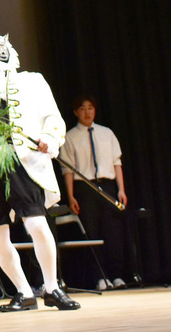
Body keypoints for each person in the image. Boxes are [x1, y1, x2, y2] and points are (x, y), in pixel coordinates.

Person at [0, 33, 80, 312]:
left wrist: (49, 139)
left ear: (8, 51)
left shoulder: (32, 82)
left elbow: (53, 117)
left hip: (22, 162)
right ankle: (24, 292)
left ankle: (52, 287)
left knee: (37, 224)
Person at [60, 96, 128, 290]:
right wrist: (71, 195)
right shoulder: (70, 137)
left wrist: (121, 189)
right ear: (75, 112)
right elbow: (68, 170)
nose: (87, 112)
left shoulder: (107, 133)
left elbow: (117, 162)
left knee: (112, 232)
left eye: (91, 108)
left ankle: (116, 275)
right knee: (91, 233)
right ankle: (100, 277)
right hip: (85, 187)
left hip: (108, 187)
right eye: (82, 108)